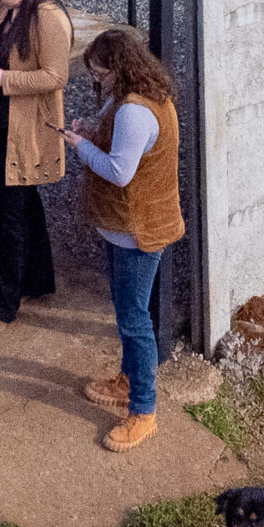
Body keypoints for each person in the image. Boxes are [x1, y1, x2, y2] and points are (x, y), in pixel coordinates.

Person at [64, 25, 185, 454]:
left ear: (120, 68)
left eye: (101, 73)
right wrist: (92, 132)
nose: (97, 80)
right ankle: (129, 381)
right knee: (129, 314)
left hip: (137, 232)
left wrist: (80, 145)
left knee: (134, 321)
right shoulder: (146, 95)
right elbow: (121, 145)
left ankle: (144, 411)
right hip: (128, 228)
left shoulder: (135, 111)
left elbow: (119, 171)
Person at [0, 0, 71, 335]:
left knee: (11, 215)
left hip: (23, 132)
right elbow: (0, 51)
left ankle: (2, 306)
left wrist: (3, 79)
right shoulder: (9, 7)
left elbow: (55, 76)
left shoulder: (48, 18)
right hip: (0, 126)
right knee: (25, 202)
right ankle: (38, 280)